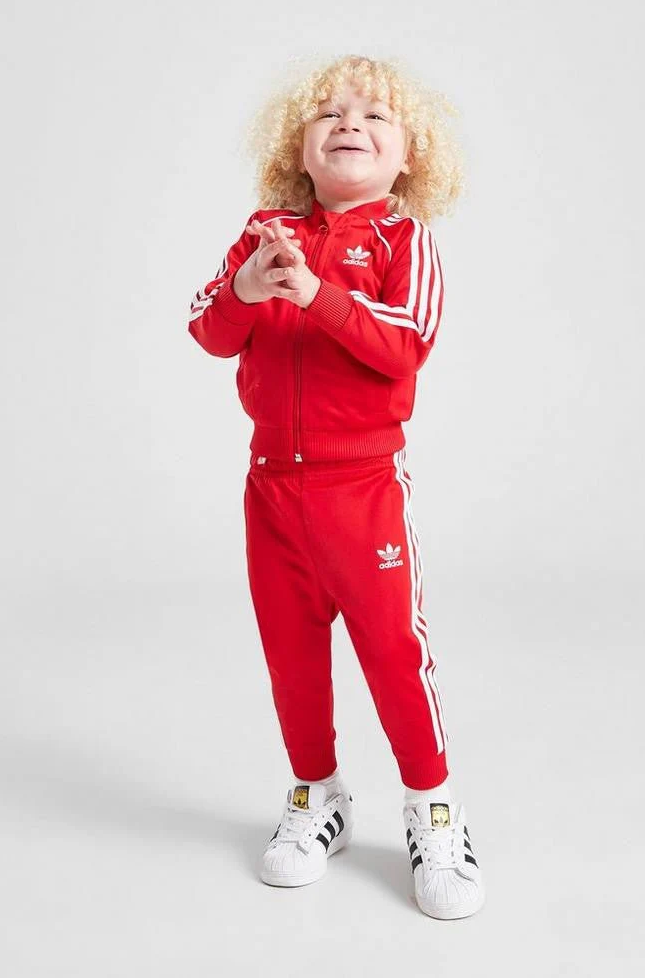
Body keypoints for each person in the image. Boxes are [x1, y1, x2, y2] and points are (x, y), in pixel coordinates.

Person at [187, 53, 484, 920]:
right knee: (291, 656)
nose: (348, 123)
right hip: (272, 490)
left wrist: (316, 292)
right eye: (327, 113)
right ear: (298, 148)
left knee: (392, 652)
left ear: (409, 156)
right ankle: (316, 793)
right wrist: (249, 287)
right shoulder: (262, 231)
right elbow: (207, 329)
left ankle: (433, 807)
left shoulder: (403, 242)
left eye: (374, 116)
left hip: (361, 489)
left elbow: (403, 344)